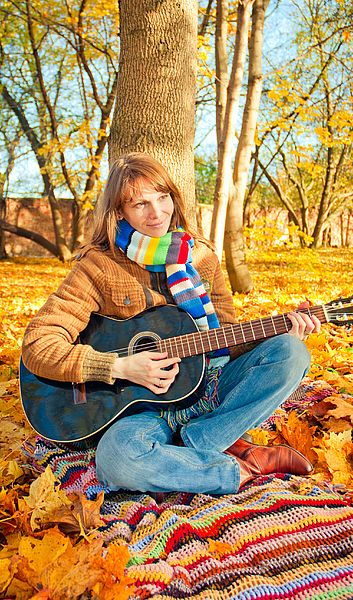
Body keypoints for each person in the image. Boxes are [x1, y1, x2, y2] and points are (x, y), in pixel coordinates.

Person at [21, 152, 321, 496]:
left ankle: (197, 442)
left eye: (162, 198)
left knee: (291, 352)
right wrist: (118, 366)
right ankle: (236, 466)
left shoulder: (201, 256)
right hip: (142, 410)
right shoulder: (98, 267)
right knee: (117, 460)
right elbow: (38, 345)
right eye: (140, 204)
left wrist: (282, 329)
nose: (157, 213)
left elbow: (227, 337)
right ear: (119, 211)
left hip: (210, 384)